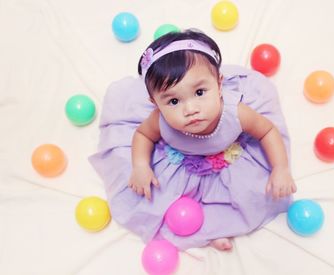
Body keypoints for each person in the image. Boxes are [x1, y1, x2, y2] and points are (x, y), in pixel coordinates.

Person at [89, 29, 296, 251]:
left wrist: (280, 168)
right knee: (159, 201)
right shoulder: (159, 120)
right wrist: (140, 166)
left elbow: (267, 132)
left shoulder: (236, 113)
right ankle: (203, 234)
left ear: (219, 84)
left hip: (229, 160)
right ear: (155, 102)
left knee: (248, 195)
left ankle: (219, 229)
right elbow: (143, 135)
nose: (190, 109)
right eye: (174, 101)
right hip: (181, 165)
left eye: (199, 93)